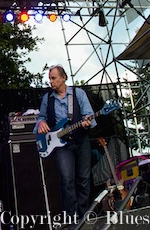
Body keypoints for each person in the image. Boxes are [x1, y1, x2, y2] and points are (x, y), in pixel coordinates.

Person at [33, 65, 96, 219]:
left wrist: (88, 121)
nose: (51, 82)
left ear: (63, 78)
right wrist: (41, 123)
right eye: (49, 78)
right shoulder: (48, 98)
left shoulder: (78, 93)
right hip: (61, 145)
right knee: (66, 179)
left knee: (84, 179)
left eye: (53, 78)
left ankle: (85, 217)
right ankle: (71, 218)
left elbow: (89, 116)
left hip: (81, 141)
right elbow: (41, 117)